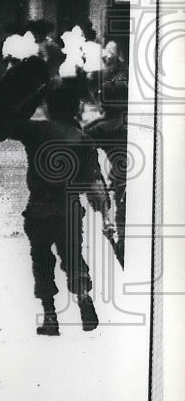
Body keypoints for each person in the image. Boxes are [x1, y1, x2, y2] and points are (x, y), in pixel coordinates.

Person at [0, 78, 111, 335]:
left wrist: (35, 95)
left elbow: (4, 124)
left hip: (39, 208)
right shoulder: (82, 138)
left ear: (49, 107)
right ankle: (84, 298)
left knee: (41, 260)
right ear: (75, 109)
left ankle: (51, 318)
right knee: (73, 257)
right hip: (70, 209)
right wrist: (107, 217)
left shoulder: (36, 131)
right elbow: (95, 184)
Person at [84, 80, 129, 264]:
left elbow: (84, 162)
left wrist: (104, 214)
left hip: (124, 186)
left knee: (126, 239)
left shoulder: (100, 128)